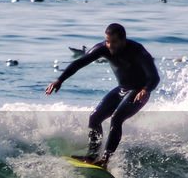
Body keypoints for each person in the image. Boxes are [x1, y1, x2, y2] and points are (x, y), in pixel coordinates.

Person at [45, 22, 159, 169]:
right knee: (94, 117)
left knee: (117, 118)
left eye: (114, 42)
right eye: (107, 41)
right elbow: (79, 63)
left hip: (138, 93)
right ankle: (92, 155)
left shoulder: (138, 51)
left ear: (123, 40)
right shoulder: (103, 49)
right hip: (122, 89)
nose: (110, 45)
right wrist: (60, 80)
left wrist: (146, 90)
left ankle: (105, 159)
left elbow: (154, 77)